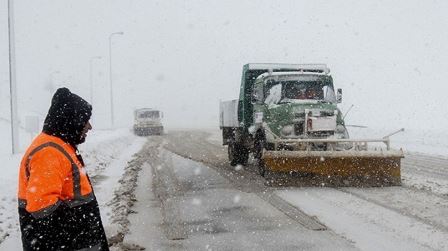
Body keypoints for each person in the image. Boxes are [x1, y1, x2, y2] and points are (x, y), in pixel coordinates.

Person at [17, 87, 109, 250]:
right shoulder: (49, 151)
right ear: (72, 120)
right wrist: (81, 228)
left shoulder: (61, 145)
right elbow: (42, 207)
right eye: (85, 120)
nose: (89, 126)